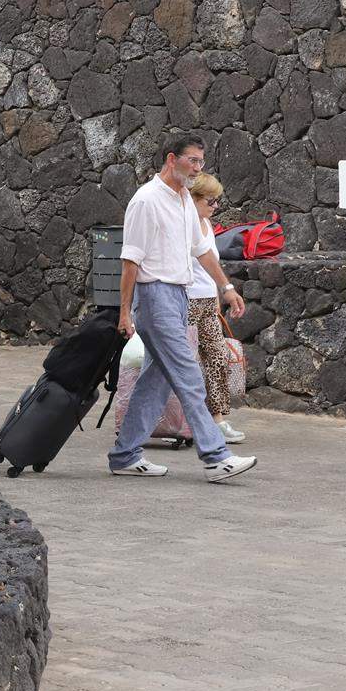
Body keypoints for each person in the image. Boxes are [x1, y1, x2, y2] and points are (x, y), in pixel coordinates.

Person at [110, 134, 258, 483]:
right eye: (192, 161)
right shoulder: (146, 200)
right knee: (190, 376)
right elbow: (130, 261)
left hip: (179, 296)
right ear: (172, 159)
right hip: (154, 296)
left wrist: (227, 287)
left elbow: (202, 250)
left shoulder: (183, 201)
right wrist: (124, 312)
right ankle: (216, 457)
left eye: (201, 163)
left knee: (155, 383)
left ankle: (124, 454)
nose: (197, 169)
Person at [186, 172, 247, 446]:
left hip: (207, 302)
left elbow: (211, 265)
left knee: (217, 358)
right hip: (185, 300)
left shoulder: (207, 225)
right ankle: (183, 420)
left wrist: (221, 294)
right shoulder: (183, 224)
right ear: (194, 198)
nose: (215, 206)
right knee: (183, 364)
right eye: (210, 201)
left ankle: (219, 419)